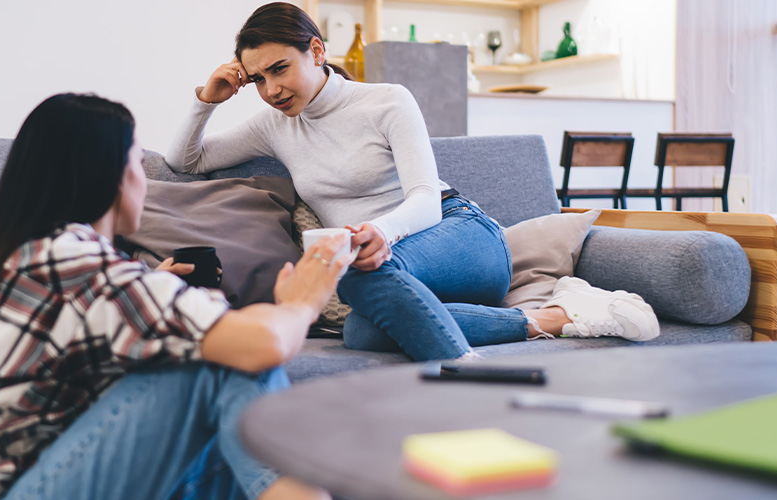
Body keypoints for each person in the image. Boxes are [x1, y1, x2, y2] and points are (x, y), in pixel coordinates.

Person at [0, 93, 342, 500]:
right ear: (117, 176)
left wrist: (149, 289)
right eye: (137, 165)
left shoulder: (18, 257)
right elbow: (264, 344)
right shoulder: (77, 264)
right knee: (223, 364)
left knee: (228, 450)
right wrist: (303, 300)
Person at [165, 2, 659, 362]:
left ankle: (467, 375)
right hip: (381, 270)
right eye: (257, 80)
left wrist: (382, 232)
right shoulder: (274, 125)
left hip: (460, 236)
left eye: (280, 69)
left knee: (356, 273)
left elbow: (425, 197)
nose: (271, 90)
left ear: (315, 51)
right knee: (361, 332)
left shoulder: (386, 101)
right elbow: (185, 161)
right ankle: (555, 317)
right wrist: (206, 100)